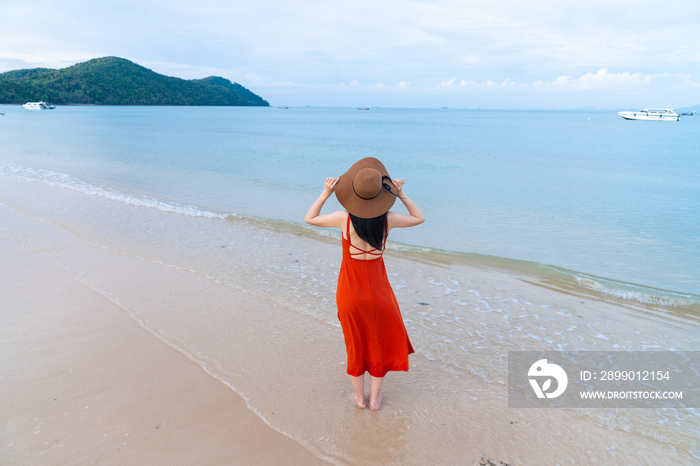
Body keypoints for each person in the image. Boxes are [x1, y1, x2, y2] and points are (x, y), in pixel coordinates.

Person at [304, 157, 425, 410]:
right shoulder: (388, 219)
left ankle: (359, 399)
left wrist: (326, 192)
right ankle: (375, 400)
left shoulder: (342, 218)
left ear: (353, 194)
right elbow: (418, 217)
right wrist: (401, 194)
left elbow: (310, 218)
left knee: (355, 345)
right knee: (378, 344)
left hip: (350, 294)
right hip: (380, 294)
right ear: (381, 195)